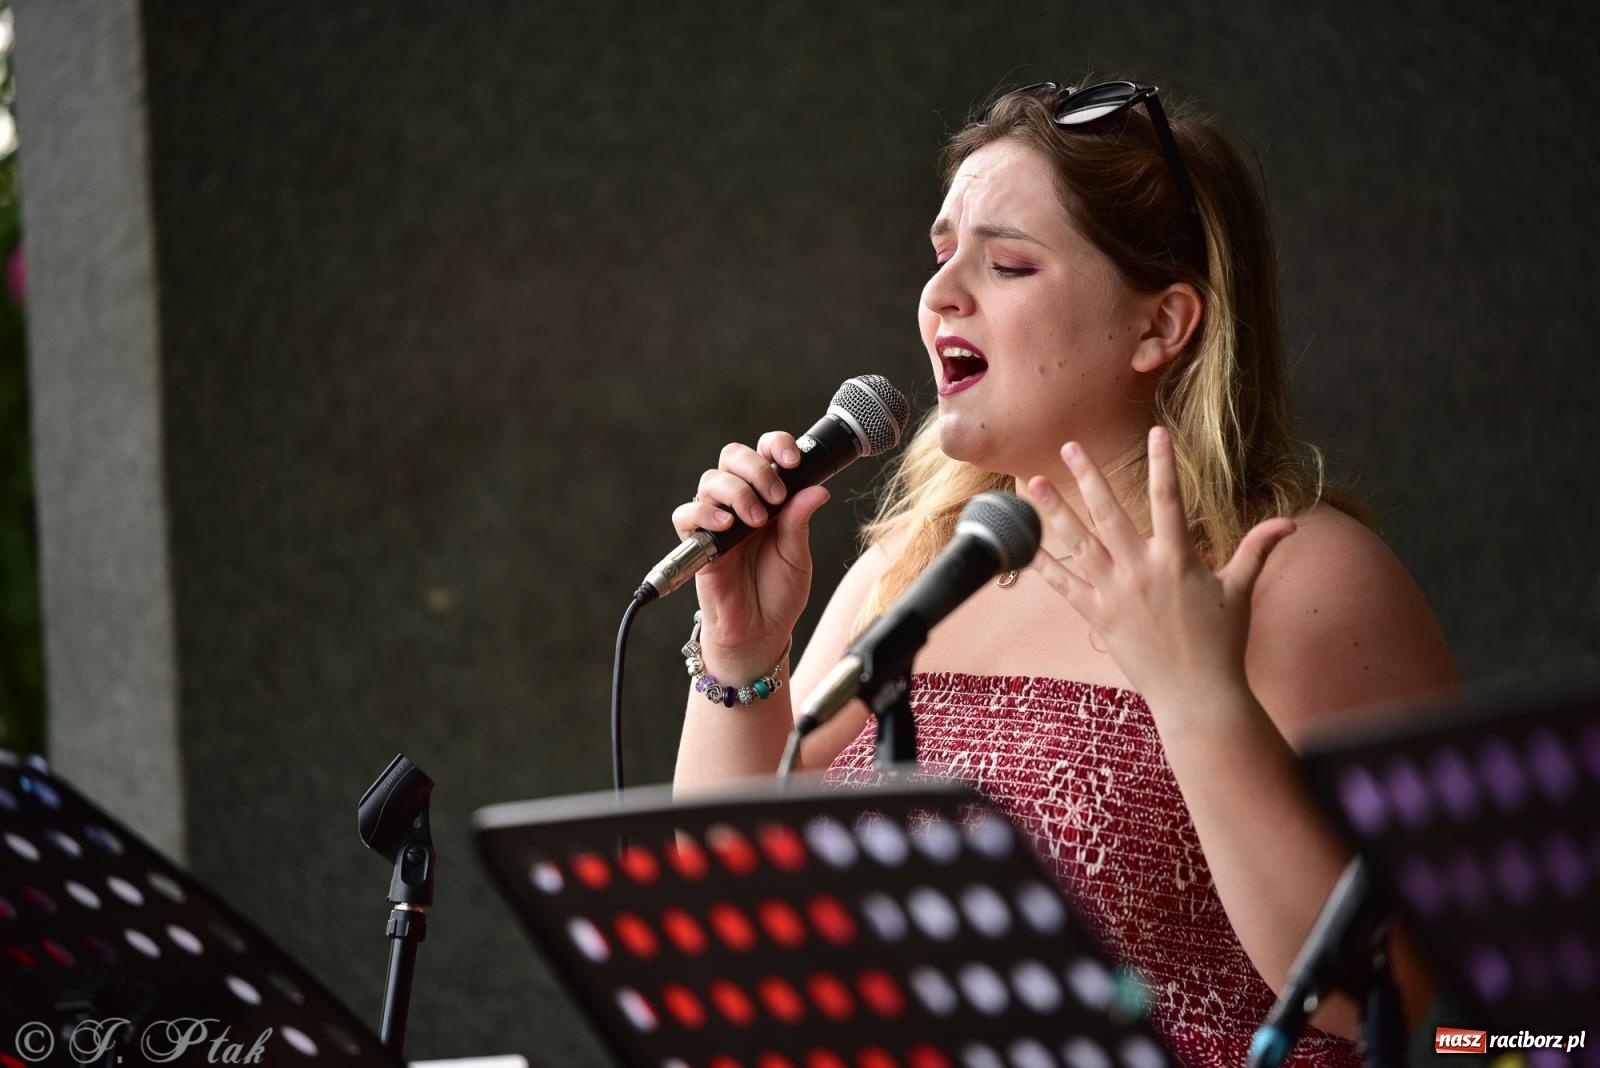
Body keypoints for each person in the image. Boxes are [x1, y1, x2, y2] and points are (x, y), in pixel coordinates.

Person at [670, 78, 1457, 1065]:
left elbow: (1391, 990)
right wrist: (744, 653)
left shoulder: (1303, 576)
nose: (940, 293)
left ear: (1160, 326)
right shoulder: (911, 568)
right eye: (941, 252)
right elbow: (718, 922)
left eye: (1004, 263)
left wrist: (1193, 693)